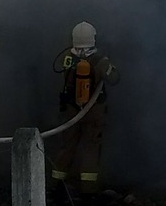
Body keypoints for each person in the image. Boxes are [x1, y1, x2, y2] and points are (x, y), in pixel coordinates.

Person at [48, 21, 116, 196]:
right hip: (93, 112)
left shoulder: (67, 57)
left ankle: (55, 183)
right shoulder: (99, 61)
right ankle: (88, 189)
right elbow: (114, 78)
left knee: (67, 147)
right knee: (91, 148)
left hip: (70, 111)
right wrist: (108, 63)